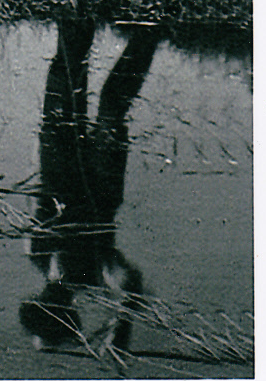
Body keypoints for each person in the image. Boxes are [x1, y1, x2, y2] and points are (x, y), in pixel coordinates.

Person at [19, 19, 160, 352]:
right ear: (67, 311)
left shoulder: (37, 253)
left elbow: (40, 194)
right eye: (55, 311)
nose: (49, 301)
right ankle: (152, 25)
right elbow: (130, 283)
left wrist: (45, 153)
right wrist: (122, 323)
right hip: (102, 182)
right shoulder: (95, 273)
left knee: (64, 84)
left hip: (60, 171)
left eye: (43, 306)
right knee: (112, 103)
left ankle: (77, 14)